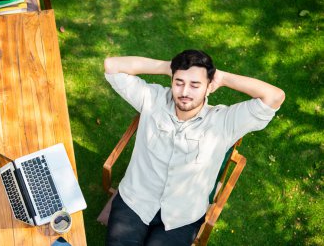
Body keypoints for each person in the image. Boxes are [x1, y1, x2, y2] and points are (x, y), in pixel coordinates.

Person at [103, 49, 285, 246]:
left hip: (182, 218)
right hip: (135, 201)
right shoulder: (152, 99)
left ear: (209, 86)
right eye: (179, 82)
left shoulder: (224, 121)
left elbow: (274, 96)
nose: (184, 92)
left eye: (195, 85)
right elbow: (112, 66)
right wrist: (167, 67)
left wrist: (222, 77)